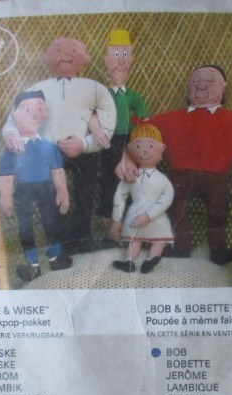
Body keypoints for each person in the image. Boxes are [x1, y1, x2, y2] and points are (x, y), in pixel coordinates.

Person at [118, 65, 232, 265]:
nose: (201, 85)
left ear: (223, 88)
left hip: (217, 178)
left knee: (218, 213)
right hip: (179, 175)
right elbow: (141, 136)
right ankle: (180, 248)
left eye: (210, 81)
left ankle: (218, 250)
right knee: (176, 211)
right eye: (196, 81)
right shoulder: (169, 119)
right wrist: (129, 159)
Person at [2, 37, 117, 254]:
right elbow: (15, 116)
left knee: (85, 196)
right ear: (46, 57)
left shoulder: (94, 88)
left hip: (86, 152)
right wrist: (11, 133)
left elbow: (108, 116)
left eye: (73, 49)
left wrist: (85, 144)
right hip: (48, 152)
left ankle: (83, 239)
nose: (66, 54)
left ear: (84, 58)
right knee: (53, 197)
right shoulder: (37, 88)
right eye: (58, 49)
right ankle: (59, 243)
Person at [0, 91, 71, 283]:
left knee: (51, 222)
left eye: (40, 109)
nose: (34, 114)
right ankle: (32, 265)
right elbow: (6, 177)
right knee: (25, 227)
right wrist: (5, 197)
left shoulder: (49, 147)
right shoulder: (12, 150)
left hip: (47, 189)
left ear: (45, 113)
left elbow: (57, 171)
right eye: (27, 109)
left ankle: (55, 257)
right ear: (14, 114)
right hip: (23, 190)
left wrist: (62, 190)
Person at [89, 29, 149, 245]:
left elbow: (145, 121)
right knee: (108, 184)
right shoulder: (102, 94)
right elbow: (90, 115)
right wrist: (97, 130)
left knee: (129, 185)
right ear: (106, 60)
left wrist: (137, 144)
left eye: (125, 55)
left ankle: (125, 231)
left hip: (128, 143)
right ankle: (111, 232)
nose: (120, 61)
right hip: (107, 143)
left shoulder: (133, 96)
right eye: (116, 55)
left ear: (131, 60)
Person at [111, 124, 174, 274]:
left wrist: (147, 216)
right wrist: (117, 219)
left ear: (162, 149)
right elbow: (120, 195)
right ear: (131, 149)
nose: (144, 150)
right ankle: (133, 261)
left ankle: (147, 259)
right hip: (148, 219)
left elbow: (167, 198)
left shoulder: (162, 180)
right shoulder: (132, 176)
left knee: (142, 241)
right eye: (138, 146)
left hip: (148, 217)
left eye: (150, 146)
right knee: (147, 240)